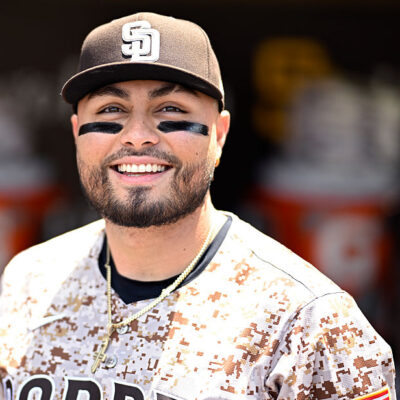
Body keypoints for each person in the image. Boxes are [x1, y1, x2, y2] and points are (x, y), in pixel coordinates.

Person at [0, 11, 396, 400]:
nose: (137, 137)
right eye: (110, 110)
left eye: (170, 110)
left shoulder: (307, 319)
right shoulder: (28, 283)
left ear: (220, 134)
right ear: (76, 134)